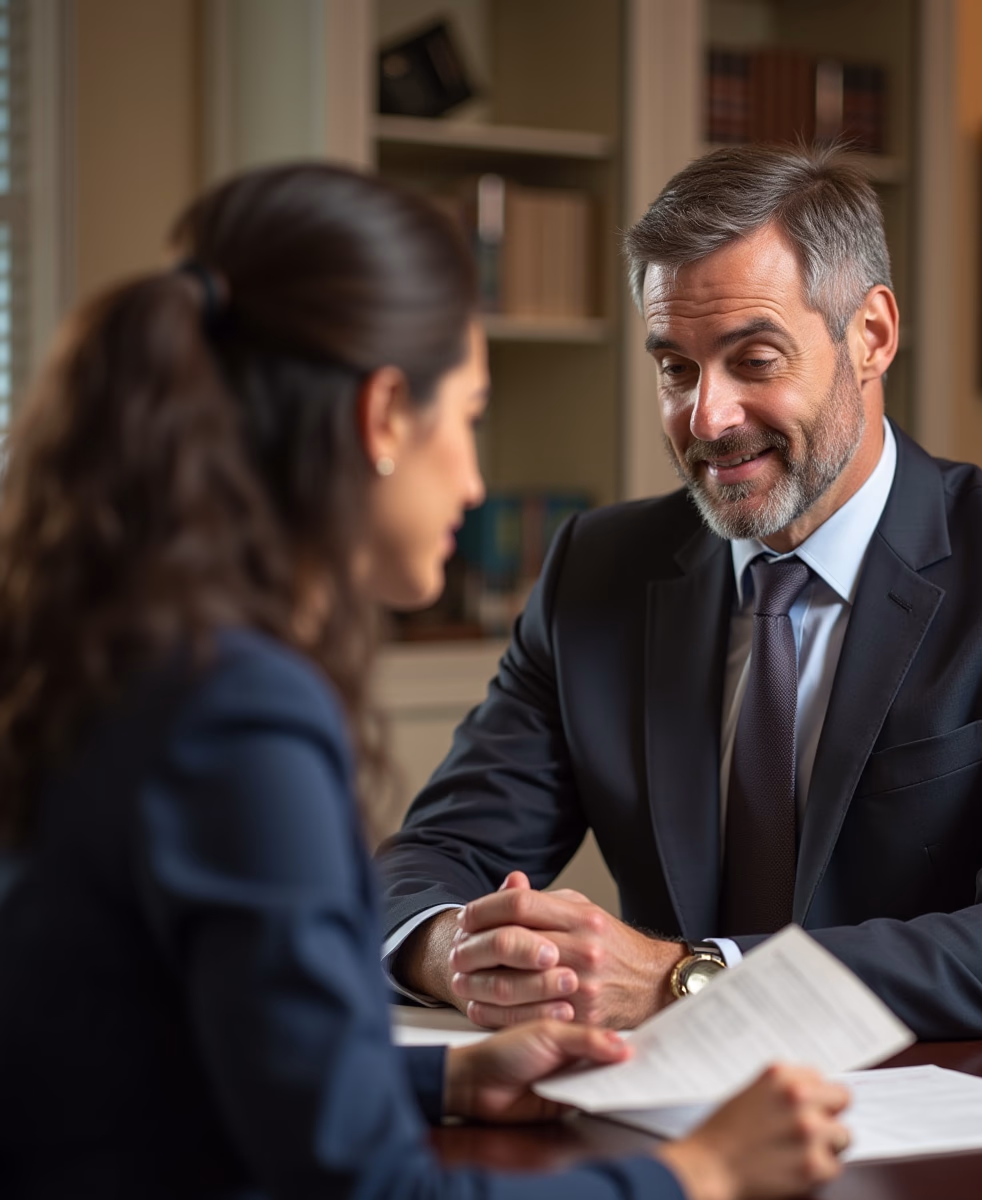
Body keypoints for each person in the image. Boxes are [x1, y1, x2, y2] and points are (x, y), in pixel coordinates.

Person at [0, 163, 851, 1199]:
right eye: (471, 417)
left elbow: (145, 1049)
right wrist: (699, 1175)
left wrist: (437, 1077)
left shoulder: (121, 653)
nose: (478, 480)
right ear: (384, 416)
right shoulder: (241, 712)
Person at [378, 143, 982, 1039]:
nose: (706, 418)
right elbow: (432, 857)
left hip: (967, 1116)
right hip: (675, 1122)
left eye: (754, 359)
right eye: (675, 367)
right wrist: (461, 954)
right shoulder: (599, 570)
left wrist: (692, 978)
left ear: (871, 335)